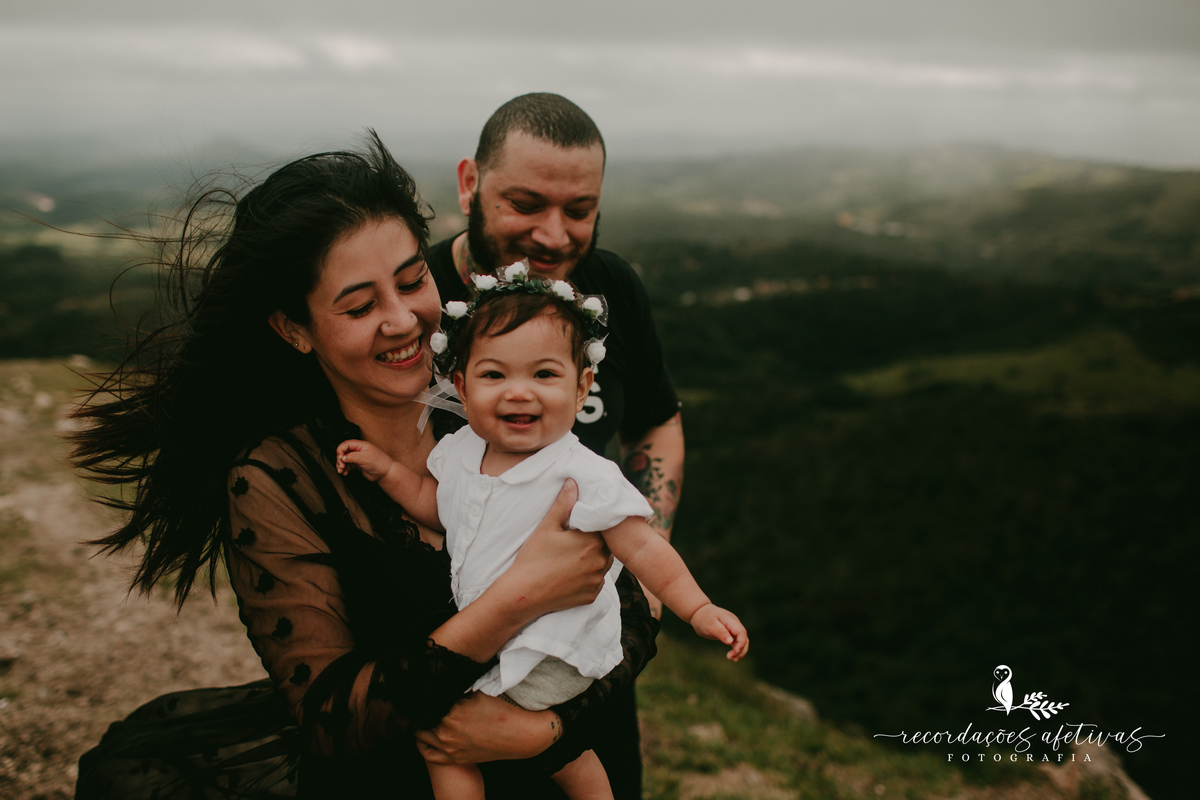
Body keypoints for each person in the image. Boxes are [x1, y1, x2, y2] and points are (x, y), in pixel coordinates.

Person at [69, 132, 659, 799]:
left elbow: (633, 611)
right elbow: (332, 721)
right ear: (294, 329)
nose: (403, 319)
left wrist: (547, 731)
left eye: (412, 281)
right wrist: (513, 601)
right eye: (359, 306)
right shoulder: (277, 479)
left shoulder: (493, 406)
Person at [336, 273, 748, 800]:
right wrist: (387, 471)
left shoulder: (581, 473)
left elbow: (643, 545)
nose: (518, 391)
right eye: (493, 374)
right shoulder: (462, 452)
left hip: (550, 646)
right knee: (551, 753)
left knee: (442, 736)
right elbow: (436, 505)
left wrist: (698, 607)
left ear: (581, 388)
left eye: (544, 374)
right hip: (497, 635)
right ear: (461, 386)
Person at [428, 92, 684, 798]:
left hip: (584, 651)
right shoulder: (419, 301)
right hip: (456, 664)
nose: (554, 235)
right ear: (469, 184)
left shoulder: (610, 287)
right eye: (526, 204)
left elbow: (657, 419)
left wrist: (647, 551)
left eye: (580, 210)